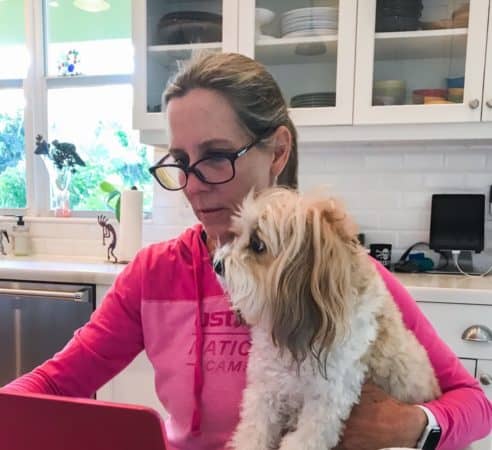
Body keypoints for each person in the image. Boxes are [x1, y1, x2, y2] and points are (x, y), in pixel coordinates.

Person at [2, 52, 491, 450]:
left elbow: (475, 406)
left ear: (278, 151)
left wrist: (410, 426)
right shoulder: (153, 276)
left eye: (214, 157)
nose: (193, 186)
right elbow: (48, 387)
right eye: (180, 162)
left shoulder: (341, 280)